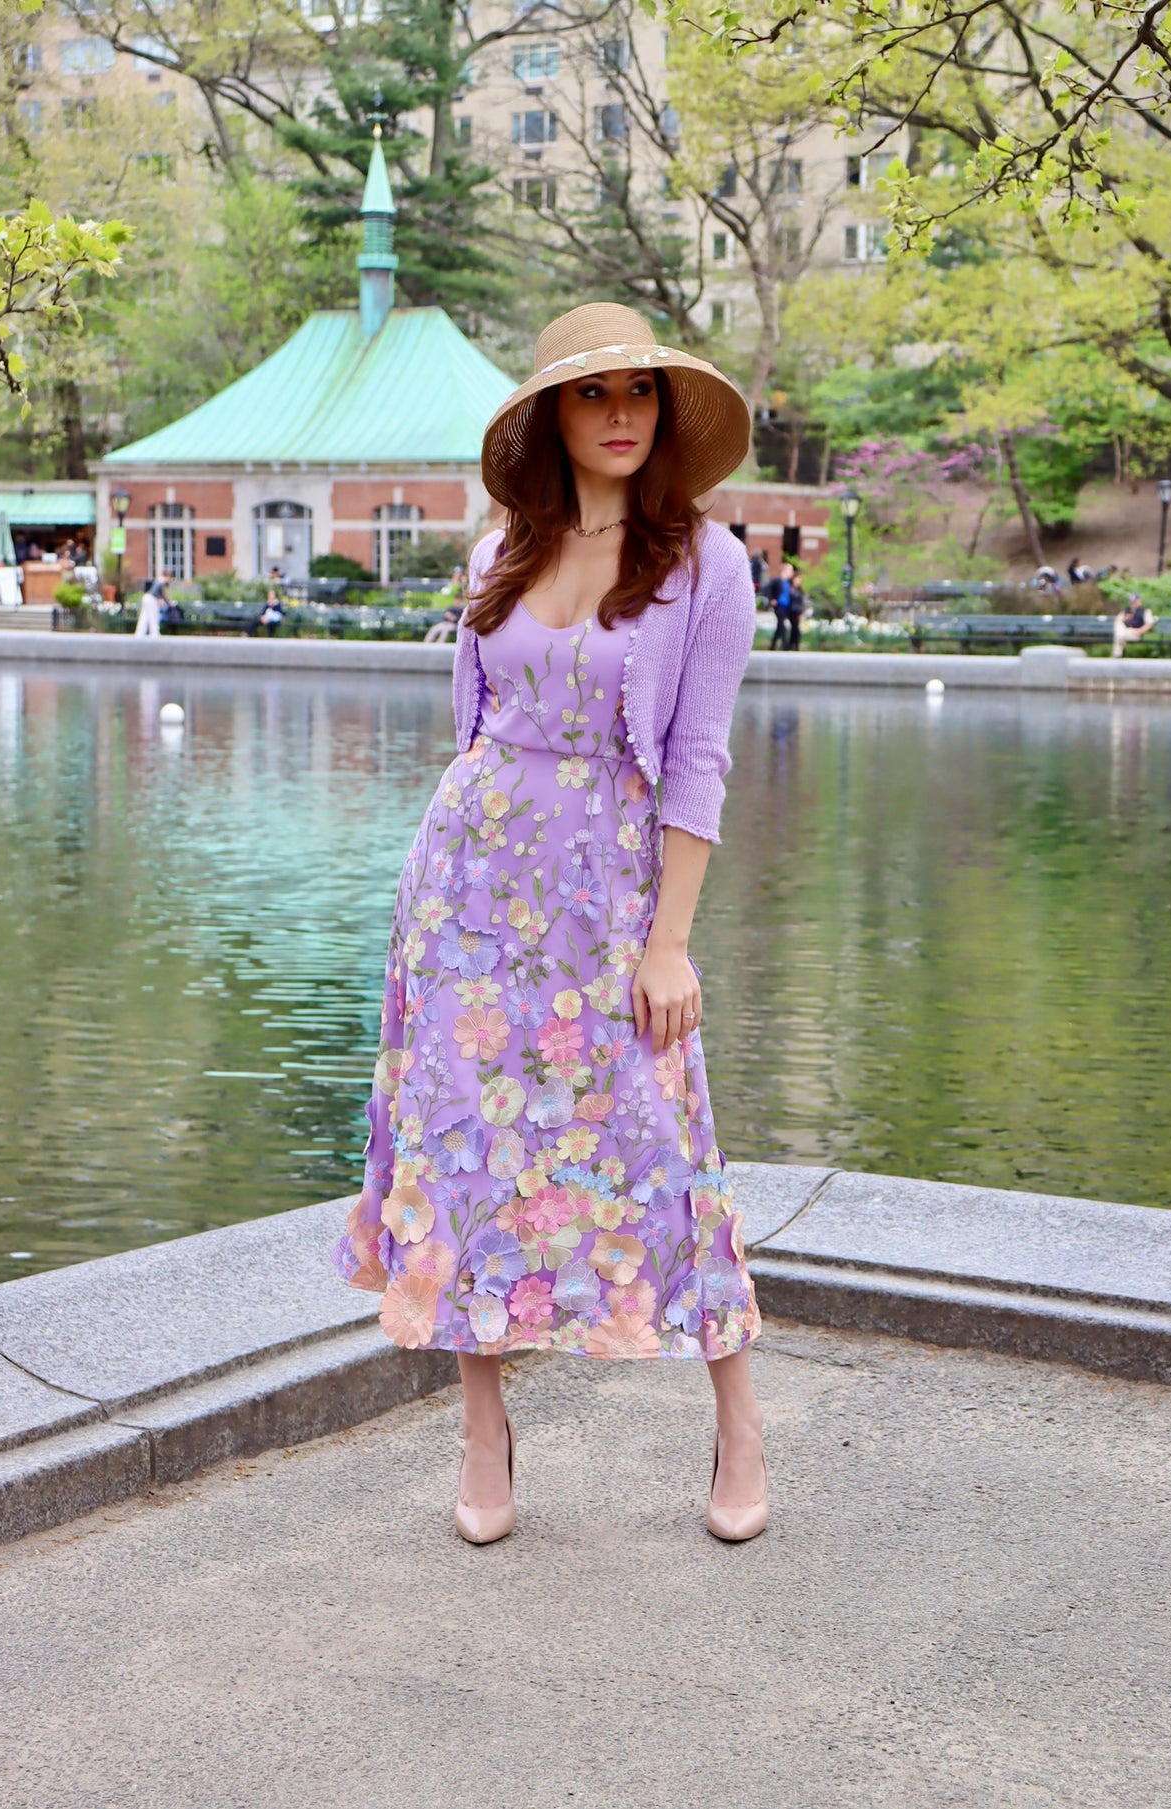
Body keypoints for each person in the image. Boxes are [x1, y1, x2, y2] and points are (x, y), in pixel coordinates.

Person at [331, 301, 768, 1545]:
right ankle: (484, 1431)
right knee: (465, 1150)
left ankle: (737, 1419)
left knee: (666, 1143)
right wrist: (438, 911)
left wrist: (668, 940)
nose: (622, 415)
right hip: (467, 899)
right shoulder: (494, 556)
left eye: (640, 392)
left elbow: (697, 762)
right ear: (550, 417)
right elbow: (468, 743)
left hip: (613, 899)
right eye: (594, 394)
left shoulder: (706, 567)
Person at [1113, 593, 1154, 658]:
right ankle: (1117, 652)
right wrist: (1125, 619)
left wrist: (1140, 631)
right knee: (1119, 626)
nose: (1133, 603)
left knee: (1119, 636)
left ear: (1139, 601)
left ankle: (1116, 655)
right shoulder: (1126, 611)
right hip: (1125, 631)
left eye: (1135, 601)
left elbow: (1149, 624)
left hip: (1135, 633)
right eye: (1132, 601)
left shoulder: (1145, 611)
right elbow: (1117, 622)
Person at [765, 560, 794, 649]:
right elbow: (767, 588)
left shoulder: (788, 582)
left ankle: (772, 646)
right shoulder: (777, 580)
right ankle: (785, 646)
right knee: (782, 625)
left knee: (779, 626)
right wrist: (771, 599)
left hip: (786, 606)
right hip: (779, 605)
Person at [134, 570, 171, 638]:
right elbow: (157, 592)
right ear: (167, 576)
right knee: (153, 616)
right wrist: (162, 599)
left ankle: (140, 634)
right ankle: (154, 634)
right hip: (152, 600)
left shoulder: (158, 581)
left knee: (144, 616)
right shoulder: (161, 582)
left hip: (146, 597)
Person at [786, 566, 806, 650]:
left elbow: (801, 602)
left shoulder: (800, 591)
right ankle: (792, 645)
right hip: (791, 611)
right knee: (794, 628)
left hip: (797, 611)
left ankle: (795, 645)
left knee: (796, 629)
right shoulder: (790, 589)